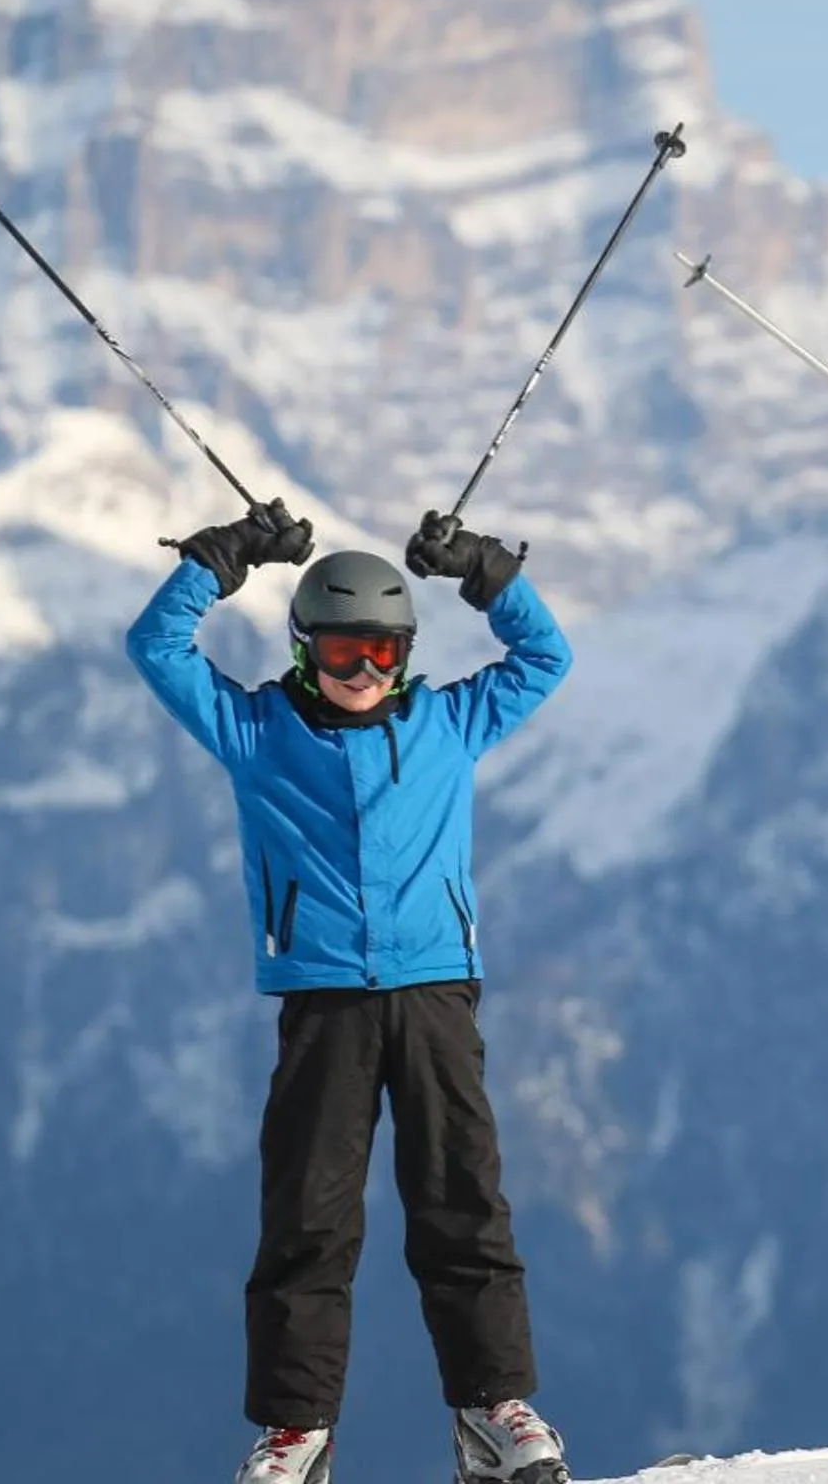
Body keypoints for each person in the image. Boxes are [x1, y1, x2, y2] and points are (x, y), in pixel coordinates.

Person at [125, 502, 579, 1484]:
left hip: (434, 998)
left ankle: (494, 1406)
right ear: (303, 650)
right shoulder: (254, 730)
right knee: (310, 1216)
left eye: (380, 651)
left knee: (462, 1200)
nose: (362, 673)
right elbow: (156, 646)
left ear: (407, 653)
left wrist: (487, 573)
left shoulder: (452, 721)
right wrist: (223, 559)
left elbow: (546, 658)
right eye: (339, 652)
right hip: (323, 998)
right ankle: (297, 1429)